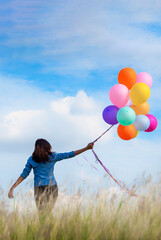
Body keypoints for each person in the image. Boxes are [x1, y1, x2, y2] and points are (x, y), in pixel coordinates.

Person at [8, 138, 94, 213]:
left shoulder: (32, 159)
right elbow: (69, 154)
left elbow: (24, 174)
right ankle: (48, 230)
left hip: (39, 189)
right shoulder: (52, 156)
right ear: (46, 148)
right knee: (47, 213)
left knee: (42, 214)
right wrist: (86, 148)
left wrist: (13, 187)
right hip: (52, 188)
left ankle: (45, 230)